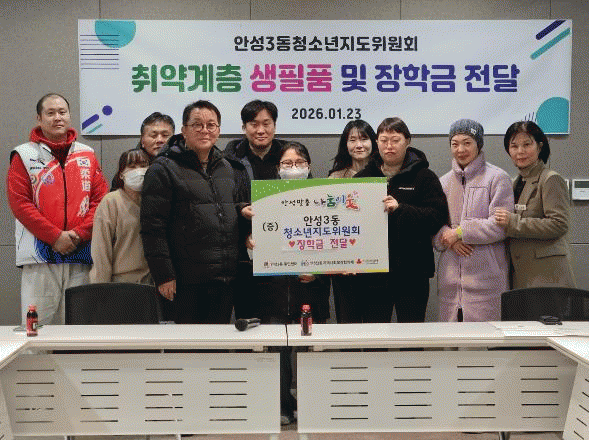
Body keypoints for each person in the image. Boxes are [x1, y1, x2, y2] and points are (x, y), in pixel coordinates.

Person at [140, 100, 248, 324]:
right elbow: (153, 228)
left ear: (218, 130)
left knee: (218, 341)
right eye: (197, 124)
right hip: (184, 282)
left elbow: (224, 207)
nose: (205, 130)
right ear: (184, 130)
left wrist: (241, 210)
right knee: (186, 344)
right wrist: (164, 275)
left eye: (211, 125)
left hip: (224, 280)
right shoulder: (163, 168)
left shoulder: (227, 167)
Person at [6, 93, 109, 325]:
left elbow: (100, 201)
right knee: (37, 327)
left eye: (62, 112)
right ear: (39, 118)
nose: (57, 117)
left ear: (69, 115)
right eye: (50, 113)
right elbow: (20, 203)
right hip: (39, 257)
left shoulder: (87, 154)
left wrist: (78, 234)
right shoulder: (24, 155)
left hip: (80, 253)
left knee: (78, 328)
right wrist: (54, 237)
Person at [248, 141, 330, 425]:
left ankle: (311, 405)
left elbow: (335, 244)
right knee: (277, 352)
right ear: (278, 168)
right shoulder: (265, 199)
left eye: (299, 163)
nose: (293, 168)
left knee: (310, 352)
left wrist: (318, 272)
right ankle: (282, 405)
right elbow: (252, 239)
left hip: (311, 291)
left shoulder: (324, 197)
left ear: (309, 166)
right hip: (273, 290)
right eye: (287, 164)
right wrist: (250, 243)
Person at [355, 117, 448, 323]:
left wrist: (402, 209)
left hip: (413, 272)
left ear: (407, 141)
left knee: (411, 332)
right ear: (377, 142)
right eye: (384, 140)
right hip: (373, 273)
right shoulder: (362, 178)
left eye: (395, 140)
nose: (389, 146)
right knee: (374, 333)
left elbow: (437, 217)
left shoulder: (425, 177)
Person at [434, 119, 514, 322]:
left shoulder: (497, 178)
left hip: (486, 283)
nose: (460, 149)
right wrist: (448, 238)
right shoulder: (443, 182)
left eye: (467, 143)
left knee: (485, 339)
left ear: (478, 144)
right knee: (451, 340)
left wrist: (461, 232)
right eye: (455, 144)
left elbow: (500, 225)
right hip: (450, 283)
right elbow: (434, 224)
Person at [224, 100, 286, 319]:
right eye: (254, 124)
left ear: (275, 126)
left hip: (284, 254)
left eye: (266, 123)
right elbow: (221, 202)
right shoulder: (228, 161)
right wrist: (242, 218)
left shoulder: (289, 158)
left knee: (283, 323)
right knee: (248, 320)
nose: (261, 130)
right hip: (244, 257)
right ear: (244, 127)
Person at [494, 121, 576, 289]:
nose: (520, 151)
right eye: (514, 146)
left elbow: (559, 224)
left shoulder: (550, 179)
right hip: (520, 275)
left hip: (548, 275)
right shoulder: (513, 182)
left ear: (539, 147)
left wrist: (514, 222)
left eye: (527, 144)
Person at [328, 120, 382, 323]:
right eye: (352, 140)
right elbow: (330, 225)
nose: (359, 145)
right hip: (344, 269)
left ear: (373, 142)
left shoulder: (384, 174)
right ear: (345, 145)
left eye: (364, 139)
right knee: (347, 325)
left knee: (376, 326)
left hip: (377, 267)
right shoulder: (334, 178)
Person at [90, 148, 152, 284]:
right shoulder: (111, 202)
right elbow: (101, 251)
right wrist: (101, 287)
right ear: (121, 174)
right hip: (120, 283)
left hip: (151, 283)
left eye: (143, 166)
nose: (138, 171)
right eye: (132, 167)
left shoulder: (154, 201)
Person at [110, 112, 174, 188]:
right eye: (153, 135)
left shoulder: (181, 165)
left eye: (165, 135)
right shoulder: (130, 167)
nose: (160, 140)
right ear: (142, 141)